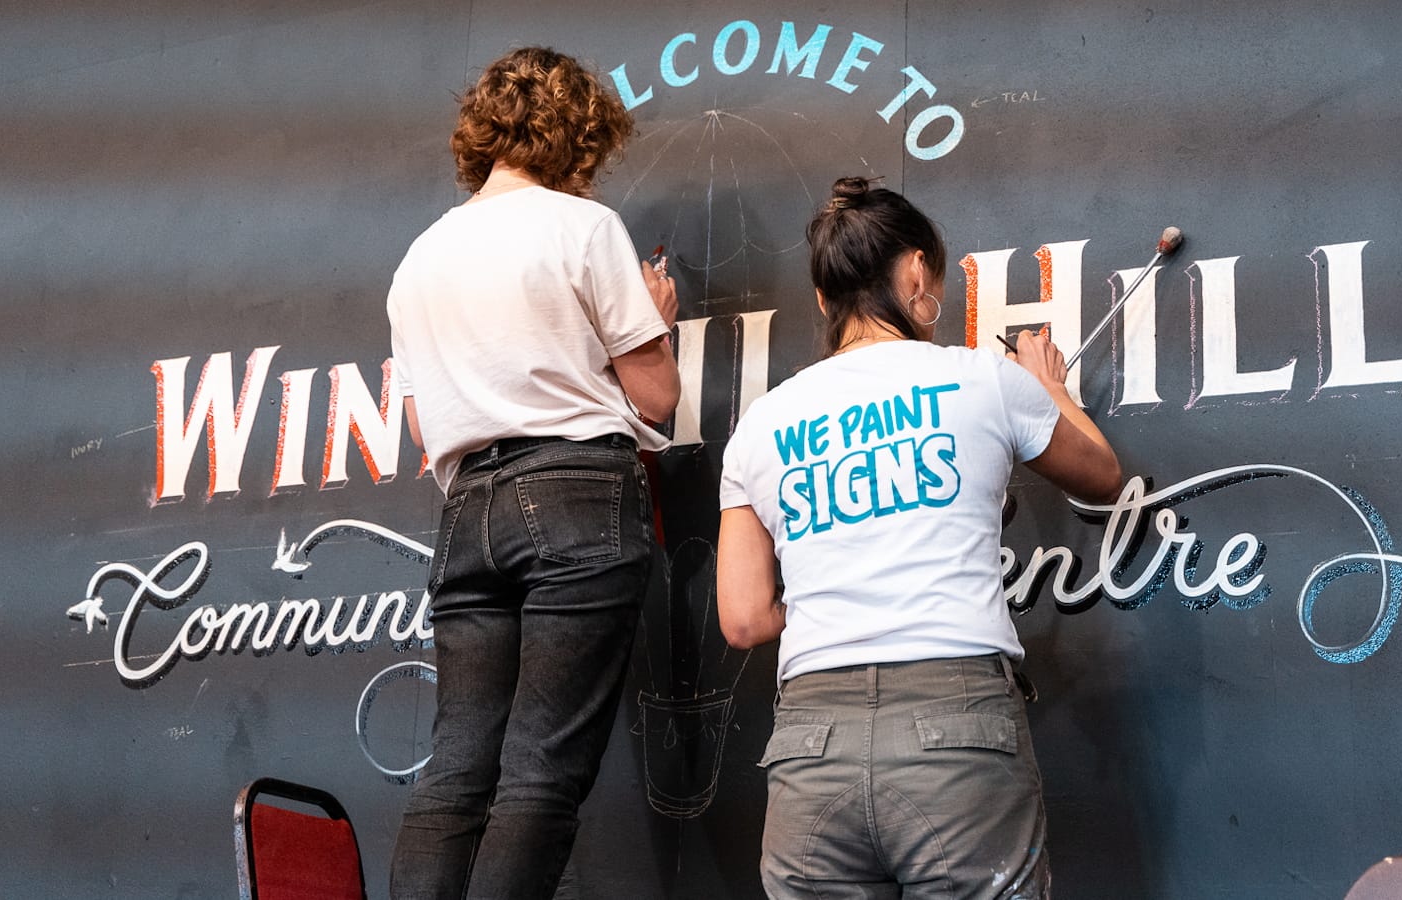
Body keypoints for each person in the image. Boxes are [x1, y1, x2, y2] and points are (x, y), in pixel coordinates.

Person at [716, 177, 1123, 898]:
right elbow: (1100, 477)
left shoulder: (761, 423)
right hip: (956, 731)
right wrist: (1052, 389)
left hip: (810, 745)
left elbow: (744, 619)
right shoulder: (982, 378)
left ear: (821, 297)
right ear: (913, 274)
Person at [385, 47, 679, 899]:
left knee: (456, 772)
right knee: (540, 772)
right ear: (578, 136)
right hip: (576, 492)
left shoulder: (418, 260)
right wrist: (656, 323)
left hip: (466, 513)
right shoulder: (581, 227)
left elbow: (422, 423)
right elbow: (654, 398)